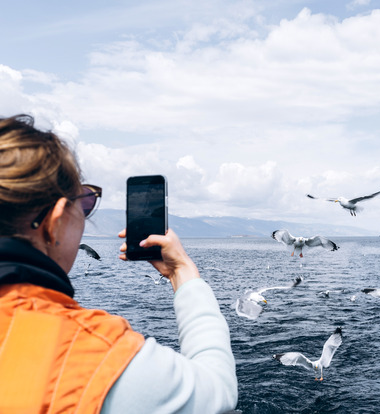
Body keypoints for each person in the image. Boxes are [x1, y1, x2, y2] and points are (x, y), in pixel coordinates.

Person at [0, 114, 238, 413]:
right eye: (85, 203)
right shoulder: (93, 355)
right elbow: (218, 392)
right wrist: (182, 272)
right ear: (55, 221)